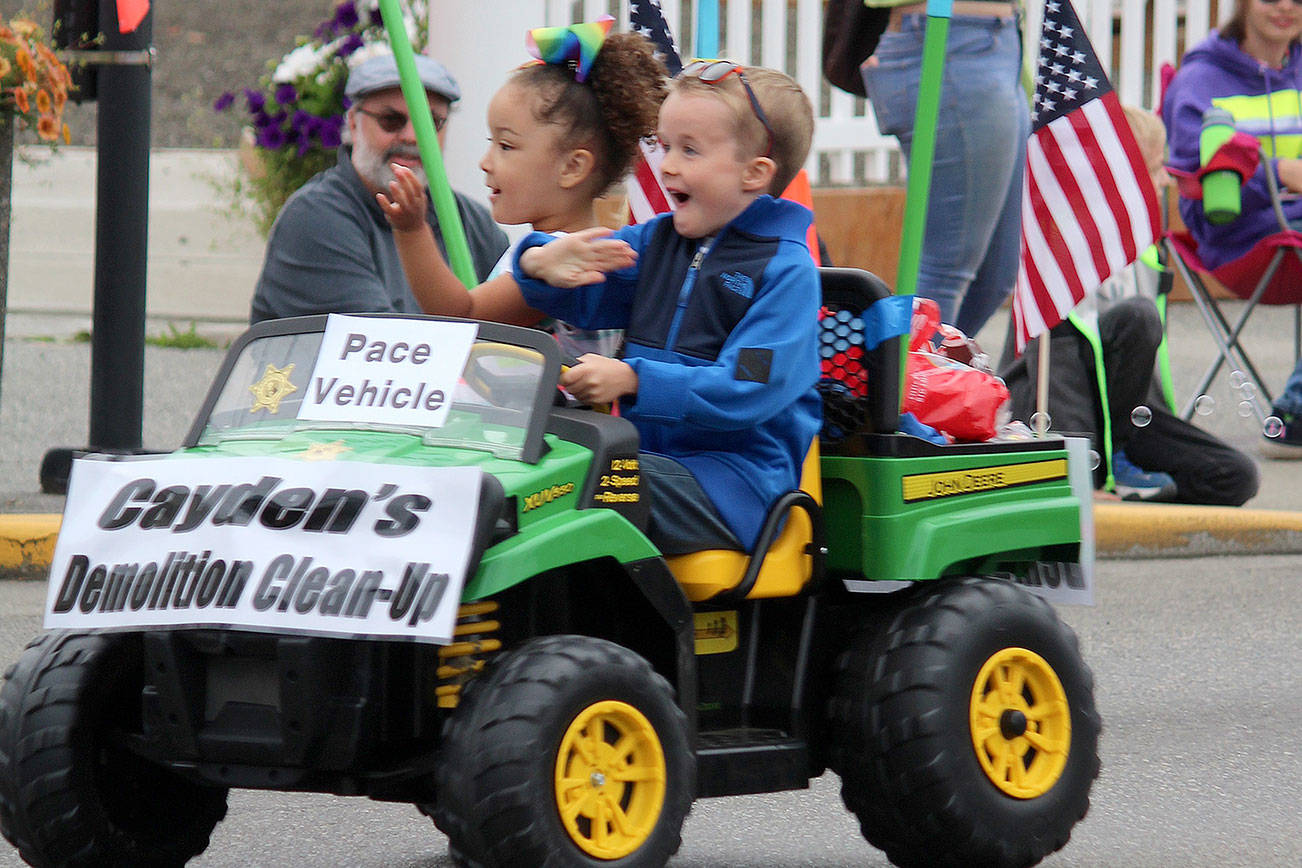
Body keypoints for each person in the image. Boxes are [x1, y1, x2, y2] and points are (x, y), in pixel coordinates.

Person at [511, 62, 822, 555]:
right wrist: (541, 259)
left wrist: (633, 379)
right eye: (665, 145)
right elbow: (585, 293)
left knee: (577, 489)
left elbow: (747, 388)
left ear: (754, 173)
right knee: (523, 473)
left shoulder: (786, 274)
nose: (667, 166)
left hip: (736, 485)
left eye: (689, 150)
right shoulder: (659, 242)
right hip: (647, 458)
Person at [999, 105, 1259, 506]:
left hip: (1125, 416)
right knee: (1138, 315)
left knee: (1236, 477)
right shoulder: (1062, 245)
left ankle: (1126, 495)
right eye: (1156, 169)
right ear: (1122, 178)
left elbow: (1142, 368)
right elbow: (1057, 369)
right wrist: (1078, 467)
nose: (1166, 178)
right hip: (1053, 419)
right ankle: (1089, 482)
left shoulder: (1144, 248)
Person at [377, 19, 667, 358]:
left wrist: (411, 232)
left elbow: (461, 317)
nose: (485, 162)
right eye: (492, 142)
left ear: (572, 167)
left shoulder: (564, 258)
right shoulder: (556, 250)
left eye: (506, 146)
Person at [249, 53, 509, 324]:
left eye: (430, 122)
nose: (411, 136)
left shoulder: (474, 224)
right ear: (352, 123)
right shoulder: (314, 219)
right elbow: (382, 347)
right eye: (391, 120)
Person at [1162, 0, 1302, 455]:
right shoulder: (1201, 81)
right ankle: (1298, 411)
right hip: (1237, 239)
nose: (1285, 7)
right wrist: (1275, 171)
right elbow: (1189, 171)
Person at [859, 0, 1028, 337]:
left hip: (998, 41)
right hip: (946, 37)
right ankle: (906, 382)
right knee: (946, 270)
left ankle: (923, 372)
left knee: (997, 272)